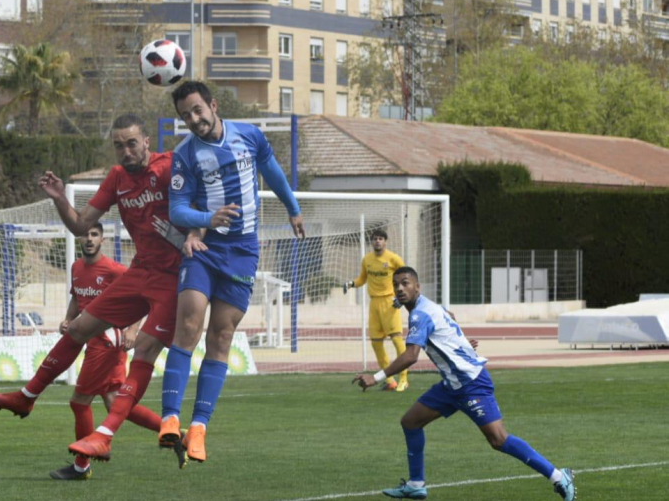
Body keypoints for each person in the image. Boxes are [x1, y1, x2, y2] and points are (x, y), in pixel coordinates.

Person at [0, 114, 185, 464]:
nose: (125, 151)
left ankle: (109, 440)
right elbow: (80, 225)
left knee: (141, 355)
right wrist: (60, 198)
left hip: (174, 277)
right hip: (141, 272)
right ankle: (27, 396)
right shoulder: (117, 178)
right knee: (77, 329)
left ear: (147, 141)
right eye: (118, 145)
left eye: (131, 143)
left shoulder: (170, 168)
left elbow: (201, 205)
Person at [158, 81, 305, 464]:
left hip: (242, 253)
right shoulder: (185, 155)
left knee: (221, 335)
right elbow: (177, 210)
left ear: (213, 105)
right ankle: (170, 417)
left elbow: (272, 174)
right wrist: (209, 218)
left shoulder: (250, 136)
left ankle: (199, 427)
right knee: (189, 324)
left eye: (196, 111)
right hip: (204, 248)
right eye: (185, 116)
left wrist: (292, 208)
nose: (193, 120)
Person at [352, 267, 576, 501]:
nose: (399, 288)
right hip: (451, 385)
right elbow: (450, 317)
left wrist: (375, 377)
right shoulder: (429, 306)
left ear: (417, 286)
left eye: (405, 283)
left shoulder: (420, 314)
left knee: (498, 439)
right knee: (410, 422)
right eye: (396, 284)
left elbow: (411, 356)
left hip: (471, 383)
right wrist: (460, 343)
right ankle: (416, 484)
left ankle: (560, 477)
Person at [49, 224, 175, 480]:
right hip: (92, 338)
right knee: (113, 400)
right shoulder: (76, 268)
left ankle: (81, 466)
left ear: (102, 239)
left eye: (94, 234)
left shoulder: (115, 269)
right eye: (85, 235)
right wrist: (68, 319)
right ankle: (172, 432)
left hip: (106, 341)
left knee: (79, 401)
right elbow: (77, 298)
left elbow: (143, 296)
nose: (89, 239)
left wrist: (132, 329)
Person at [345, 227, 408, 391]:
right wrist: (351, 284)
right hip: (374, 304)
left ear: (386, 242)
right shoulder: (367, 260)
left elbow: (406, 277)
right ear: (371, 242)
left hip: (390, 302)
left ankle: (404, 378)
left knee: (396, 339)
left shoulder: (394, 258)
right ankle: (390, 380)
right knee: (376, 343)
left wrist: (401, 298)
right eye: (375, 239)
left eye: (381, 238)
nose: (378, 241)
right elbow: (362, 279)